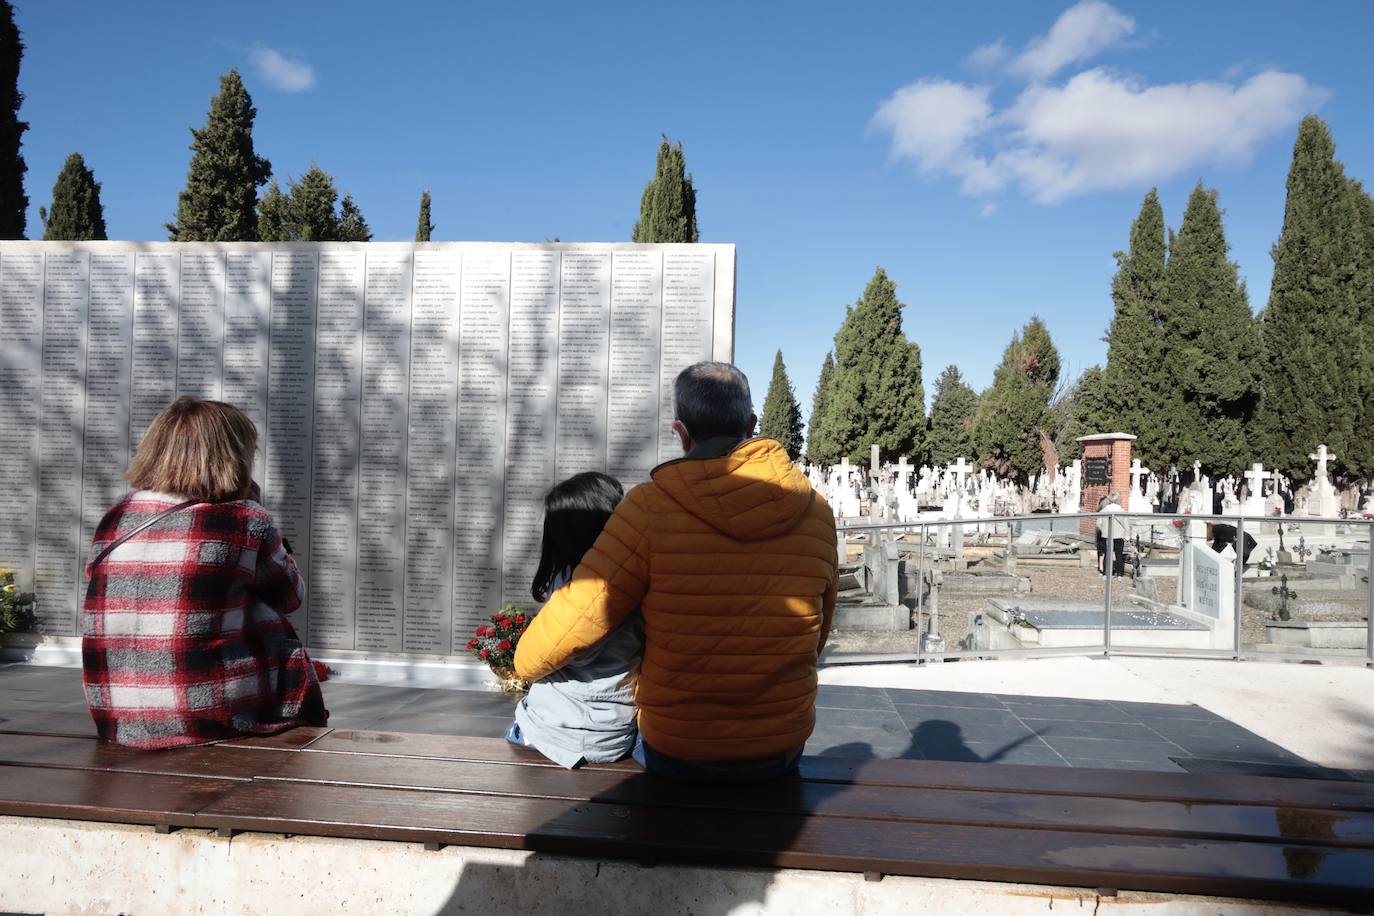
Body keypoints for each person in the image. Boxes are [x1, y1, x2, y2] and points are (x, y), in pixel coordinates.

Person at [515, 361, 839, 783]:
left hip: (680, 746)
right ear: (751, 424)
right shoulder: (816, 511)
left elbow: (582, 614)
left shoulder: (650, 507)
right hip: (780, 742)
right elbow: (819, 629)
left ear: (681, 431)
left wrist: (521, 664)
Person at [82, 396, 327, 749]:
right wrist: (255, 508)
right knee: (262, 613)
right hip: (208, 718)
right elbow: (292, 597)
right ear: (235, 456)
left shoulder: (117, 516)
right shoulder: (243, 519)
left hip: (117, 720)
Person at [506, 472, 643, 768]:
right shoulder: (641, 576)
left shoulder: (578, 585)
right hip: (618, 731)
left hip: (559, 732)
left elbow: (557, 651)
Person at [1096, 491, 1126, 577]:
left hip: (1107, 534)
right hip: (1119, 534)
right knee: (1119, 554)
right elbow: (1126, 523)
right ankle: (1119, 573)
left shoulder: (1104, 510)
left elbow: (1098, 524)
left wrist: (1104, 529)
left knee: (1107, 553)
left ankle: (1106, 572)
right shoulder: (1122, 511)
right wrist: (1127, 535)